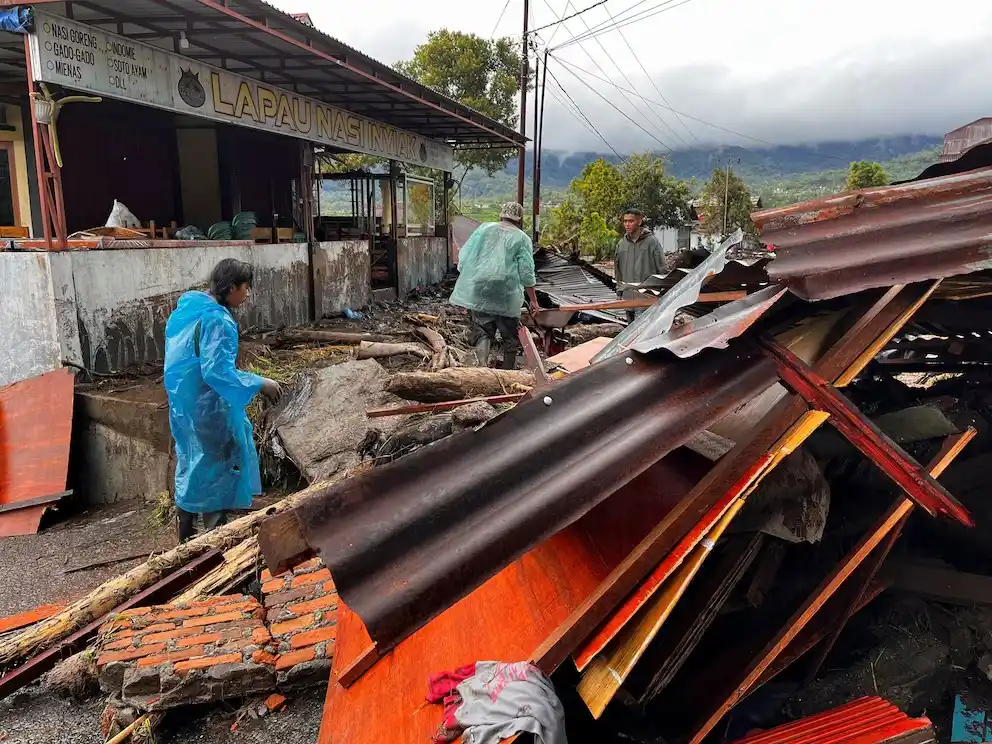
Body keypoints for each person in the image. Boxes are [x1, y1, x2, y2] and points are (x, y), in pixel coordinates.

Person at [163, 258, 282, 543]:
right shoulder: (218, 320)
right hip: (209, 407)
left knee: (190, 462)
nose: (248, 294)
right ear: (231, 288)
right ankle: (214, 546)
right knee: (216, 469)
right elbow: (217, 372)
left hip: (184, 406)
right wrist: (260, 382)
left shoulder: (188, 310)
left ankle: (184, 540)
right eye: (245, 287)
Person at [450, 202, 540, 370]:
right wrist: (533, 300)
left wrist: (471, 276)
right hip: (506, 293)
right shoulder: (522, 238)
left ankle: (481, 368)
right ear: (520, 219)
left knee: (482, 331)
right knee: (510, 337)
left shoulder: (484, 229)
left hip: (480, 289)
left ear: (501, 215)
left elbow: (465, 256)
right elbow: (526, 272)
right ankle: (508, 372)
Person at [614, 208, 669, 323]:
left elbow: (662, 267)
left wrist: (664, 290)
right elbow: (617, 270)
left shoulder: (651, 242)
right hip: (628, 296)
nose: (627, 224)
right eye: (625, 221)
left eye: (631, 221)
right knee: (630, 329)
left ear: (639, 222)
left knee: (640, 329)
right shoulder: (621, 244)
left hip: (646, 296)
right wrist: (619, 291)